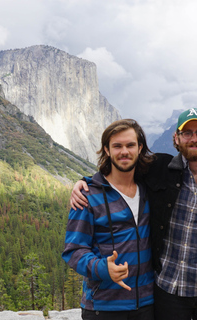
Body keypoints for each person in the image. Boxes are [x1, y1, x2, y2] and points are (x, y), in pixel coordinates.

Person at [71, 108, 197, 320]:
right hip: (167, 293)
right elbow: (120, 167)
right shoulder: (160, 168)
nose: (194, 139)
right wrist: (86, 182)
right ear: (176, 138)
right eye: (187, 133)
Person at [62, 119, 155, 319]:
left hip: (147, 305)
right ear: (106, 150)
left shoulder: (150, 189)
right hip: (103, 308)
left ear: (139, 148)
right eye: (117, 146)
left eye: (130, 145)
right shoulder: (88, 196)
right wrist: (103, 268)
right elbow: (73, 250)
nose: (124, 152)